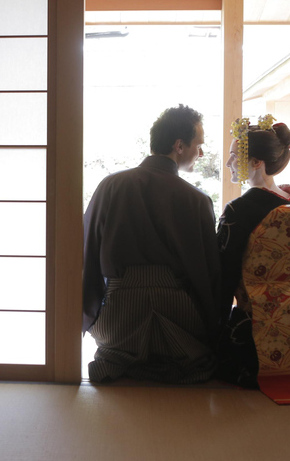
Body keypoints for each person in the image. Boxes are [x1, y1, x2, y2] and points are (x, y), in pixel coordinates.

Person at [82, 104, 221, 384]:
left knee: (115, 351)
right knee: (198, 361)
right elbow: (208, 275)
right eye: (199, 144)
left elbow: (86, 254)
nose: (202, 153)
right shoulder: (196, 200)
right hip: (178, 312)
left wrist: (88, 313)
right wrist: (215, 328)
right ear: (179, 145)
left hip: (119, 314)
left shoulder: (110, 186)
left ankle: (119, 359)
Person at [215, 115, 290, 388]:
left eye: (233, 156)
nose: (228, 163)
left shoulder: (239, 210)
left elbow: (223, 273)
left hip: (249, 328)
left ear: (256, 163)